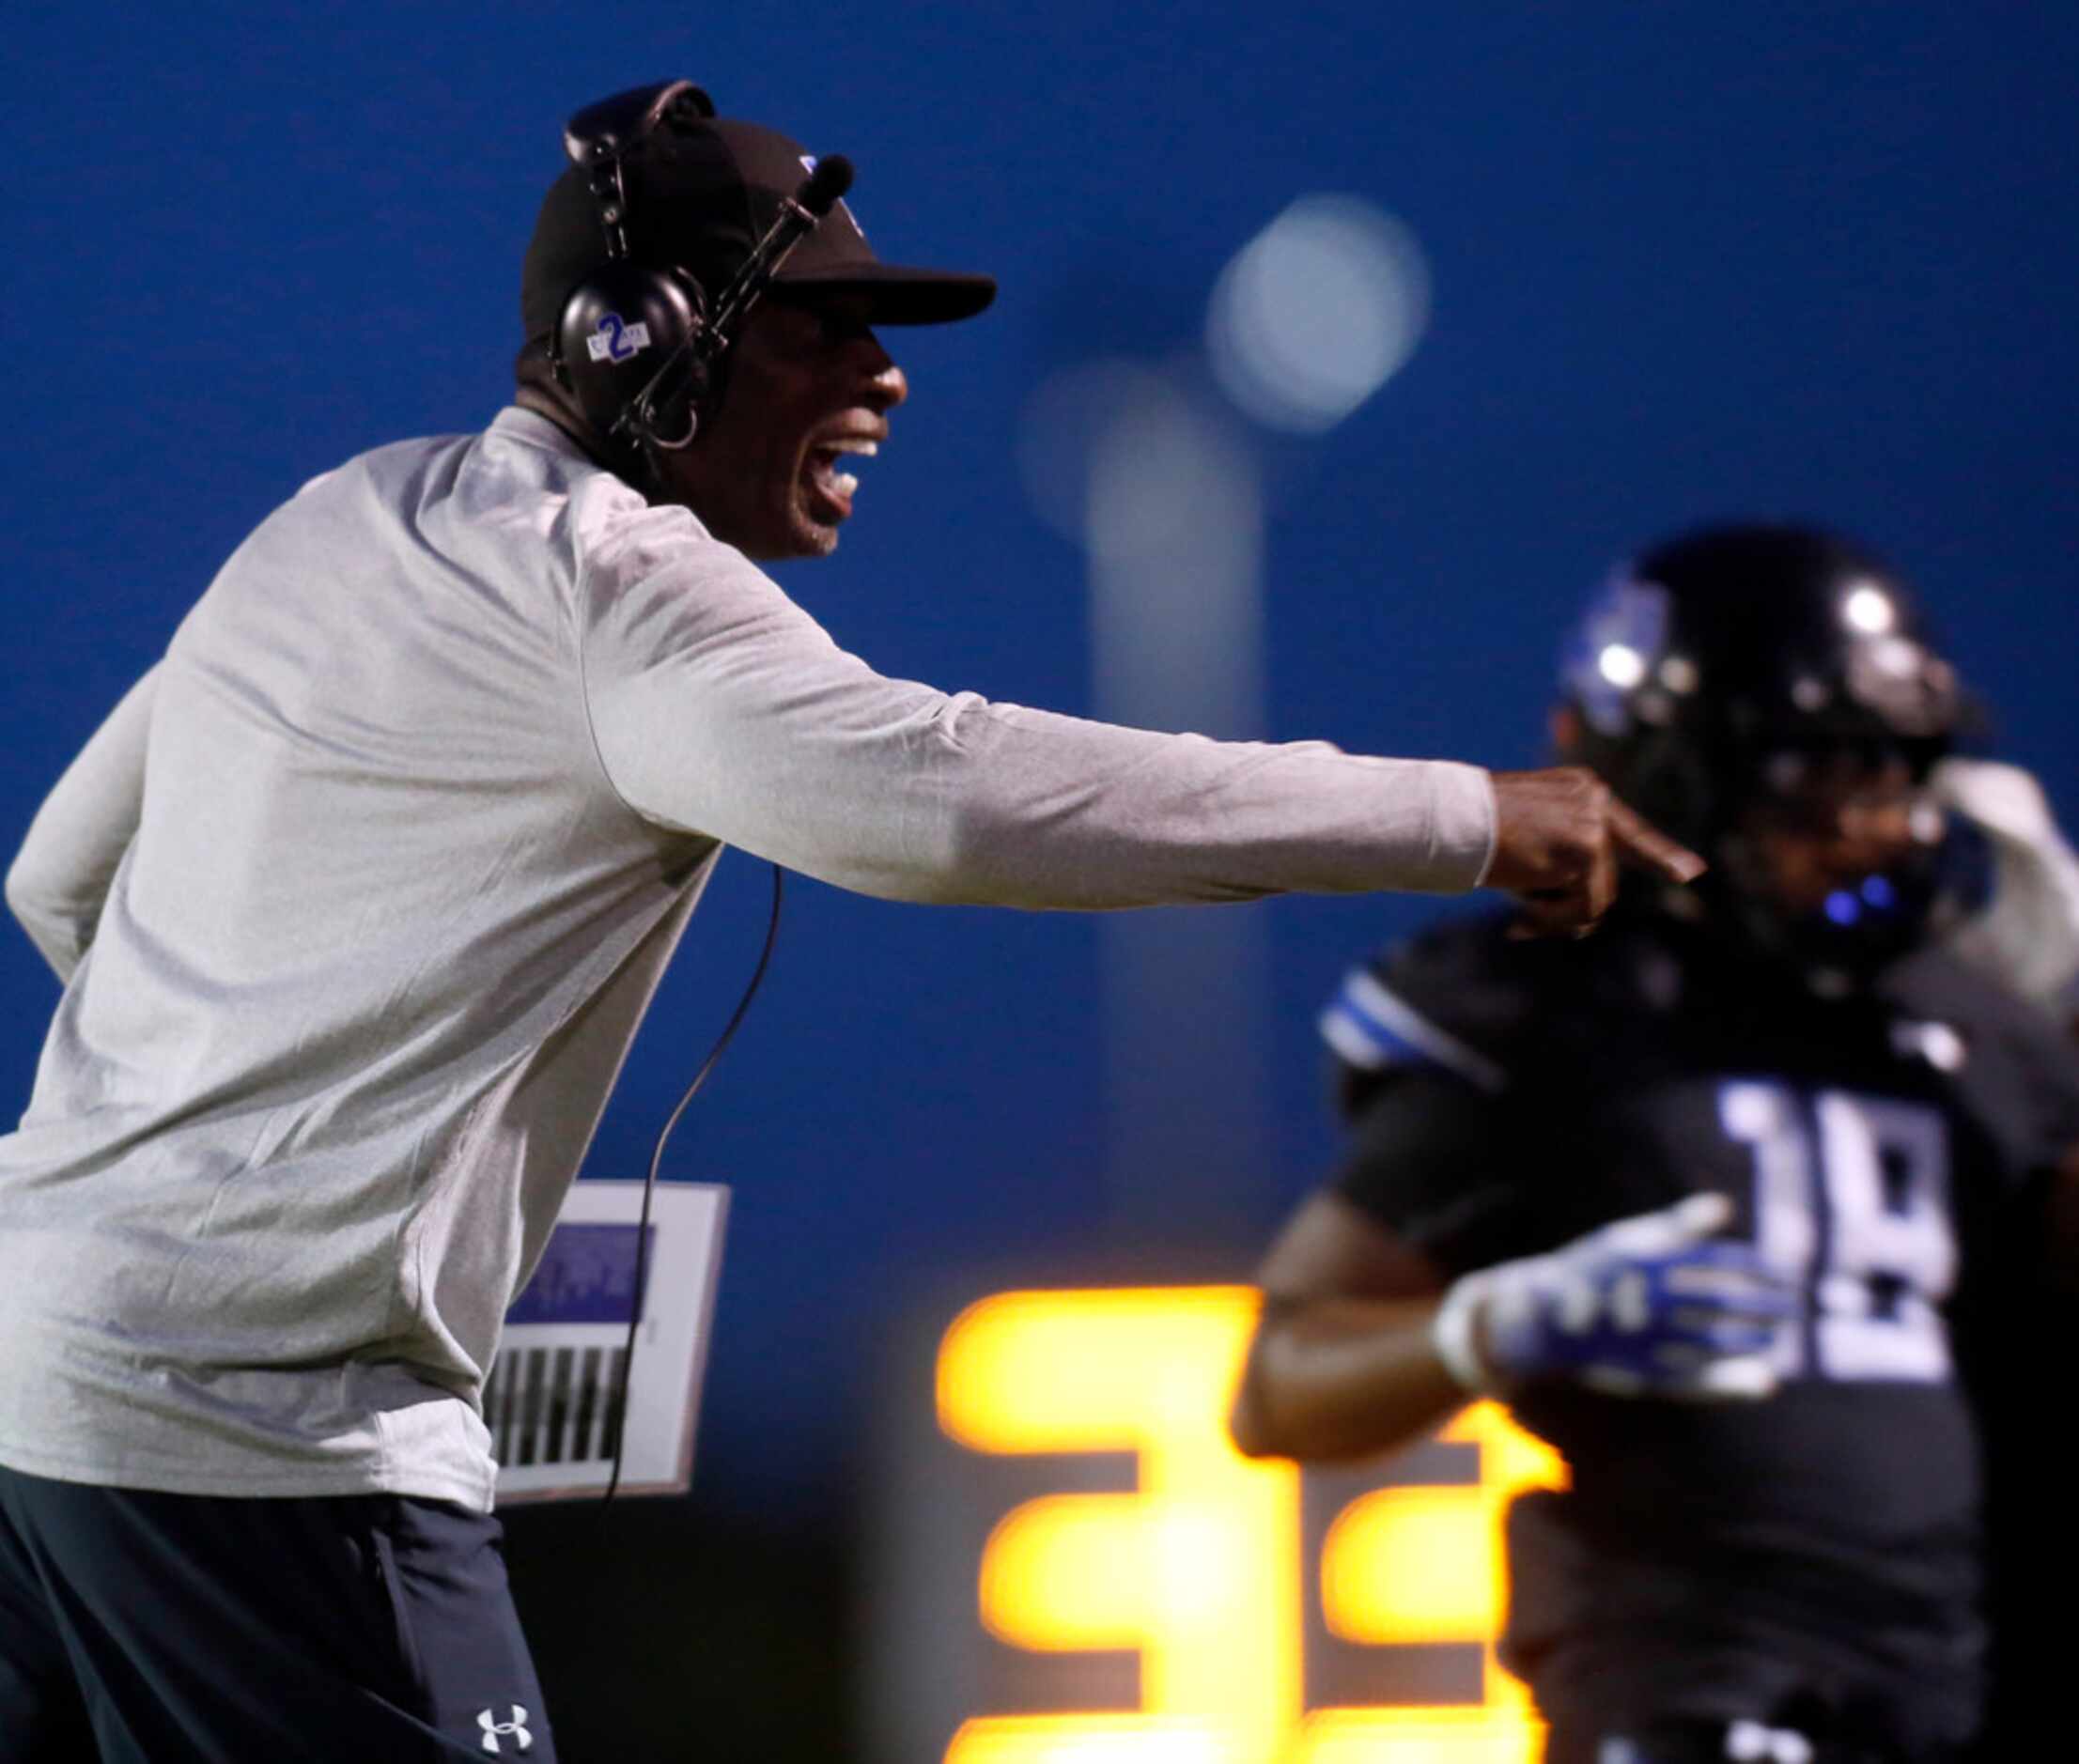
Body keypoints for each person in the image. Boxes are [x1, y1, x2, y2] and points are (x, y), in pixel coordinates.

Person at [0, 80, 1692, 1762]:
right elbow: (944, 799)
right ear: (637, 340)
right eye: (821, 329)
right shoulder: (614, 584)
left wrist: (266, 1124)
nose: (884, 375)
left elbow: (59, 879)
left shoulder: (336, 513)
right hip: (253, 1447)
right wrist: (1466, 815)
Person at [1230, 523, 2079, 1764]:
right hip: (1692, 1688)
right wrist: (1500, 1321)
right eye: (1822, 769)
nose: (1878, 824)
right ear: (1672, 772)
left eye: (1896, 770)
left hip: (1952, 1686)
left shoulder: (1967, 1017)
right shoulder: (1550, 1016)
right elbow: (1275, 1388)